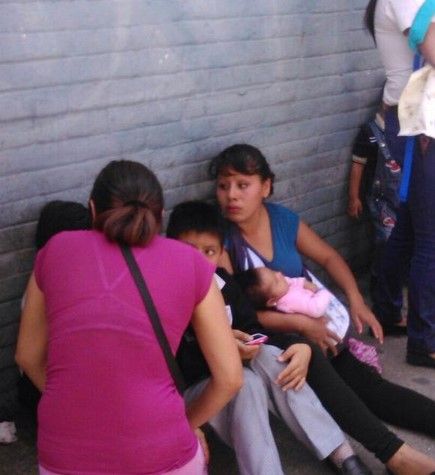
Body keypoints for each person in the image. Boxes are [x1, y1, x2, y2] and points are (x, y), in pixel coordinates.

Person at [209, 143, 435, 475]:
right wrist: (302, 326)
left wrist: (356, 299)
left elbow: (328, 257)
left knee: (371, 389)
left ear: (266, 186)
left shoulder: (282, 220)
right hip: (272, 340)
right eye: (223, 186)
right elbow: (241, 315)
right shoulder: (223, 242)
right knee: (327, 373)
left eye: (243, 185)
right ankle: (396, 456)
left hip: (315, 329)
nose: (231, 195)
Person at [15, 160, 243, 475]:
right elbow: (230, 378)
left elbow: (27, 356)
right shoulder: (191, 262)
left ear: (92, 209)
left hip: (64, 453)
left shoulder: (54, 250)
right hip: (161, 450)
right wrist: (186, 423)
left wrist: (73, 401)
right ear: (159, 216)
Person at [167, 200, 371, 475]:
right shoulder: (164, 294)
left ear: (220, 253)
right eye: (189, 250)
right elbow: (170, 365)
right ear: (169, 248)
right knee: (246, 383)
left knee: (274, 357)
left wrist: (252, 345)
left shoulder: (223, 284)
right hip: (194, 390)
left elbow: (254, 328)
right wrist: (219, 349)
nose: (199, 260)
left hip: (232, 376)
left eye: (209, 251)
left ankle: (342, 455)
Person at [366, 0, 435, 366]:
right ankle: (425, 341)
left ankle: (388, 309)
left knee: (410, 227)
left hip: (418, 120)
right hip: (418, 125)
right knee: (431, 237)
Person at [18, 201, 92, 416]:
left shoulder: (72, 279)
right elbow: (29, 360)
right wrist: (69, 404)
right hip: (43, 389)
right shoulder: (45, 289)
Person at [237, 268, 332, 318]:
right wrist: (322, 292)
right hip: (322, 314)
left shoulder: (282, 289)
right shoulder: (290, 301)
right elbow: (316, 308)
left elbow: (293, 282)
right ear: (272, 301)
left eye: (273, 272)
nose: (279, 274)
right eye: (276, 281)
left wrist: (303, 282)